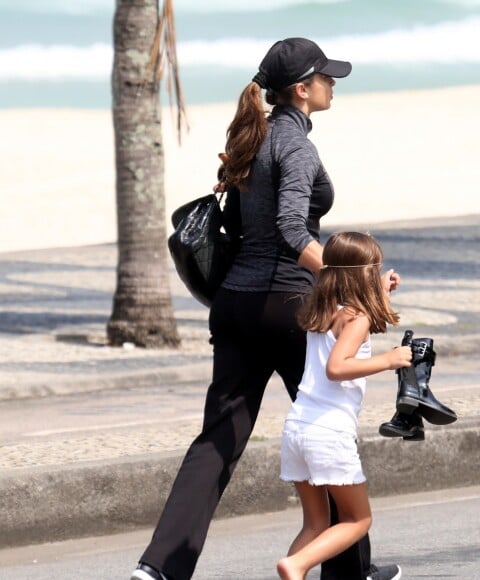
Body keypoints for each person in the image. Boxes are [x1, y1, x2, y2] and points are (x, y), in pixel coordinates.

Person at [131, 38, 402, 580]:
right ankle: (346, 570)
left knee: (218, 440)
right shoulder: (295, 147)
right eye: (326, 78)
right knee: (328, 422)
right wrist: (352, 281)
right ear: (302, 90)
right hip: (287, 307)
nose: (332, 85)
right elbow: (289, 228)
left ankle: (159, 569)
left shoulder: (251, 137)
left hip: (234, 304)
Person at [276, 232, 411, 580]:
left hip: (298, 428)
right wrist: (390, 359)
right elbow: (336, 368)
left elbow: (358, 320)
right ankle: (297, 565)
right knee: (358, 519)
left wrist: (380, 293)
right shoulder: (358, 318)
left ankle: (294, 568)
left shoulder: (322, 312)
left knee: (316, 524)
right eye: (375, 268)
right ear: (363, 274)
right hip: (328, 433)